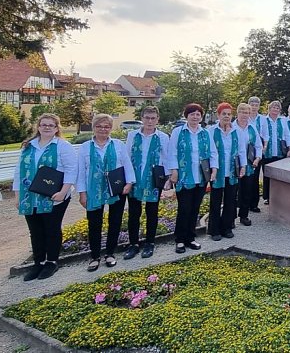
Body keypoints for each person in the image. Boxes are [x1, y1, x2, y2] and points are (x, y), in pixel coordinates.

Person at [13, 113, 77, 281]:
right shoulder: (29, 146)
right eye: (44, 124)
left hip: (54, 195)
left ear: (57, 128)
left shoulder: (63, 146)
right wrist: (18, 195)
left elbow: (71, 170)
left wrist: (63, 192)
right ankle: (38, 263)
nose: (47, 127)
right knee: (35, 231)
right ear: (38, 127)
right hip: (30, 196)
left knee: (51, 229)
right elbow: (19, 171)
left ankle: (52, 262)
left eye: (51, 125)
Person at [77, 113, 136, 271]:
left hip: (115, 188)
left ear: (111, 128)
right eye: (99, 126)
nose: (103, 129)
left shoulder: (117, 144)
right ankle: (95, 256)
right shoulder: (85, 147)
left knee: (115, 221)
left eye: (107, 126)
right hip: (93, 190)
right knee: (94, 224)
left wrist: (129, 182)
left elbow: (127, 164)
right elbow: (81, 172)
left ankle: (110, 253)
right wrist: (82, 193)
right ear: (94, 127)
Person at [167, 103, 217, 254]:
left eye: (198, 114)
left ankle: (191, 237)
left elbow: (213, 152)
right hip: (184, 177)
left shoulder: (205, 133)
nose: (195, 117)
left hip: (201, 176)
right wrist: (174, 171)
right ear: (186, 116)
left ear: (201, 117)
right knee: (184, 209)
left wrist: (214, 169)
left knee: (195, 208)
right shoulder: (178, 132)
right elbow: (172, 152)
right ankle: (180, 240)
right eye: (192, 114)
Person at [124, 106, 169, 260]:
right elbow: (127, 157)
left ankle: (150, 242)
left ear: (157, 119)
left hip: (153, 180)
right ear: (141, 118)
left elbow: (167, 158)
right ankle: (133, 244)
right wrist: (128, 179)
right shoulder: (132, 135)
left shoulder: (163, 137)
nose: (150, 121)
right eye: (147, 117)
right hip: (135, 179)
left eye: (153, 118)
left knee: (152, 212)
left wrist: (168, 179)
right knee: (134, 213)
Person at [207, 103, 239, 241]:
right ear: (219, 115)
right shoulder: (211, 131)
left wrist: (242, 166)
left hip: (231, 171)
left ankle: (226, 228)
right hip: (217, 172)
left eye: (228, 114)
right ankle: (214, 230)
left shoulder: (235, 130)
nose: (226, 116)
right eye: (223, 114)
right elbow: (209, 151)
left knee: (230, 201)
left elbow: (241, 150)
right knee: (215, 201)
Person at [234, 103, 263, 227]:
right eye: (242, 112)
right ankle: (230, 217)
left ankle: (244, 215)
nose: (245, 114)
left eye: (247, 112)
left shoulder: (252, 127)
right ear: (237, 113)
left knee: (246, 189)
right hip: (234, 164)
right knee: (234, 191)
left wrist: (258, 158)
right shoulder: (232, 127)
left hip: (250, 164)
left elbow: (258, 145)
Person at [262, 100, 290, 204]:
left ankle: (279, 196)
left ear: (279, 110)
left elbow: (287, 135)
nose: (275, 109)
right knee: (267, 176)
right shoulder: (264, 120)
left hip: (280, 152)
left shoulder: (283, 120)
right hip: (267, 153)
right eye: (273, 107)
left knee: (279, 176)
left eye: (277, 108)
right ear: (269, 109)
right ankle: (267, 197)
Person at [247, 96, 268, 210]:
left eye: (256, 105)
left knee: (255, 178)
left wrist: (264, 147)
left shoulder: (262, 119)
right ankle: (243, 202)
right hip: (246, 150)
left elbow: (265, 135)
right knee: (246, 177)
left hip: (258, 151)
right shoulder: (245, 117)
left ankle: (254, 204)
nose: (254, 107)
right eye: (252, 105)